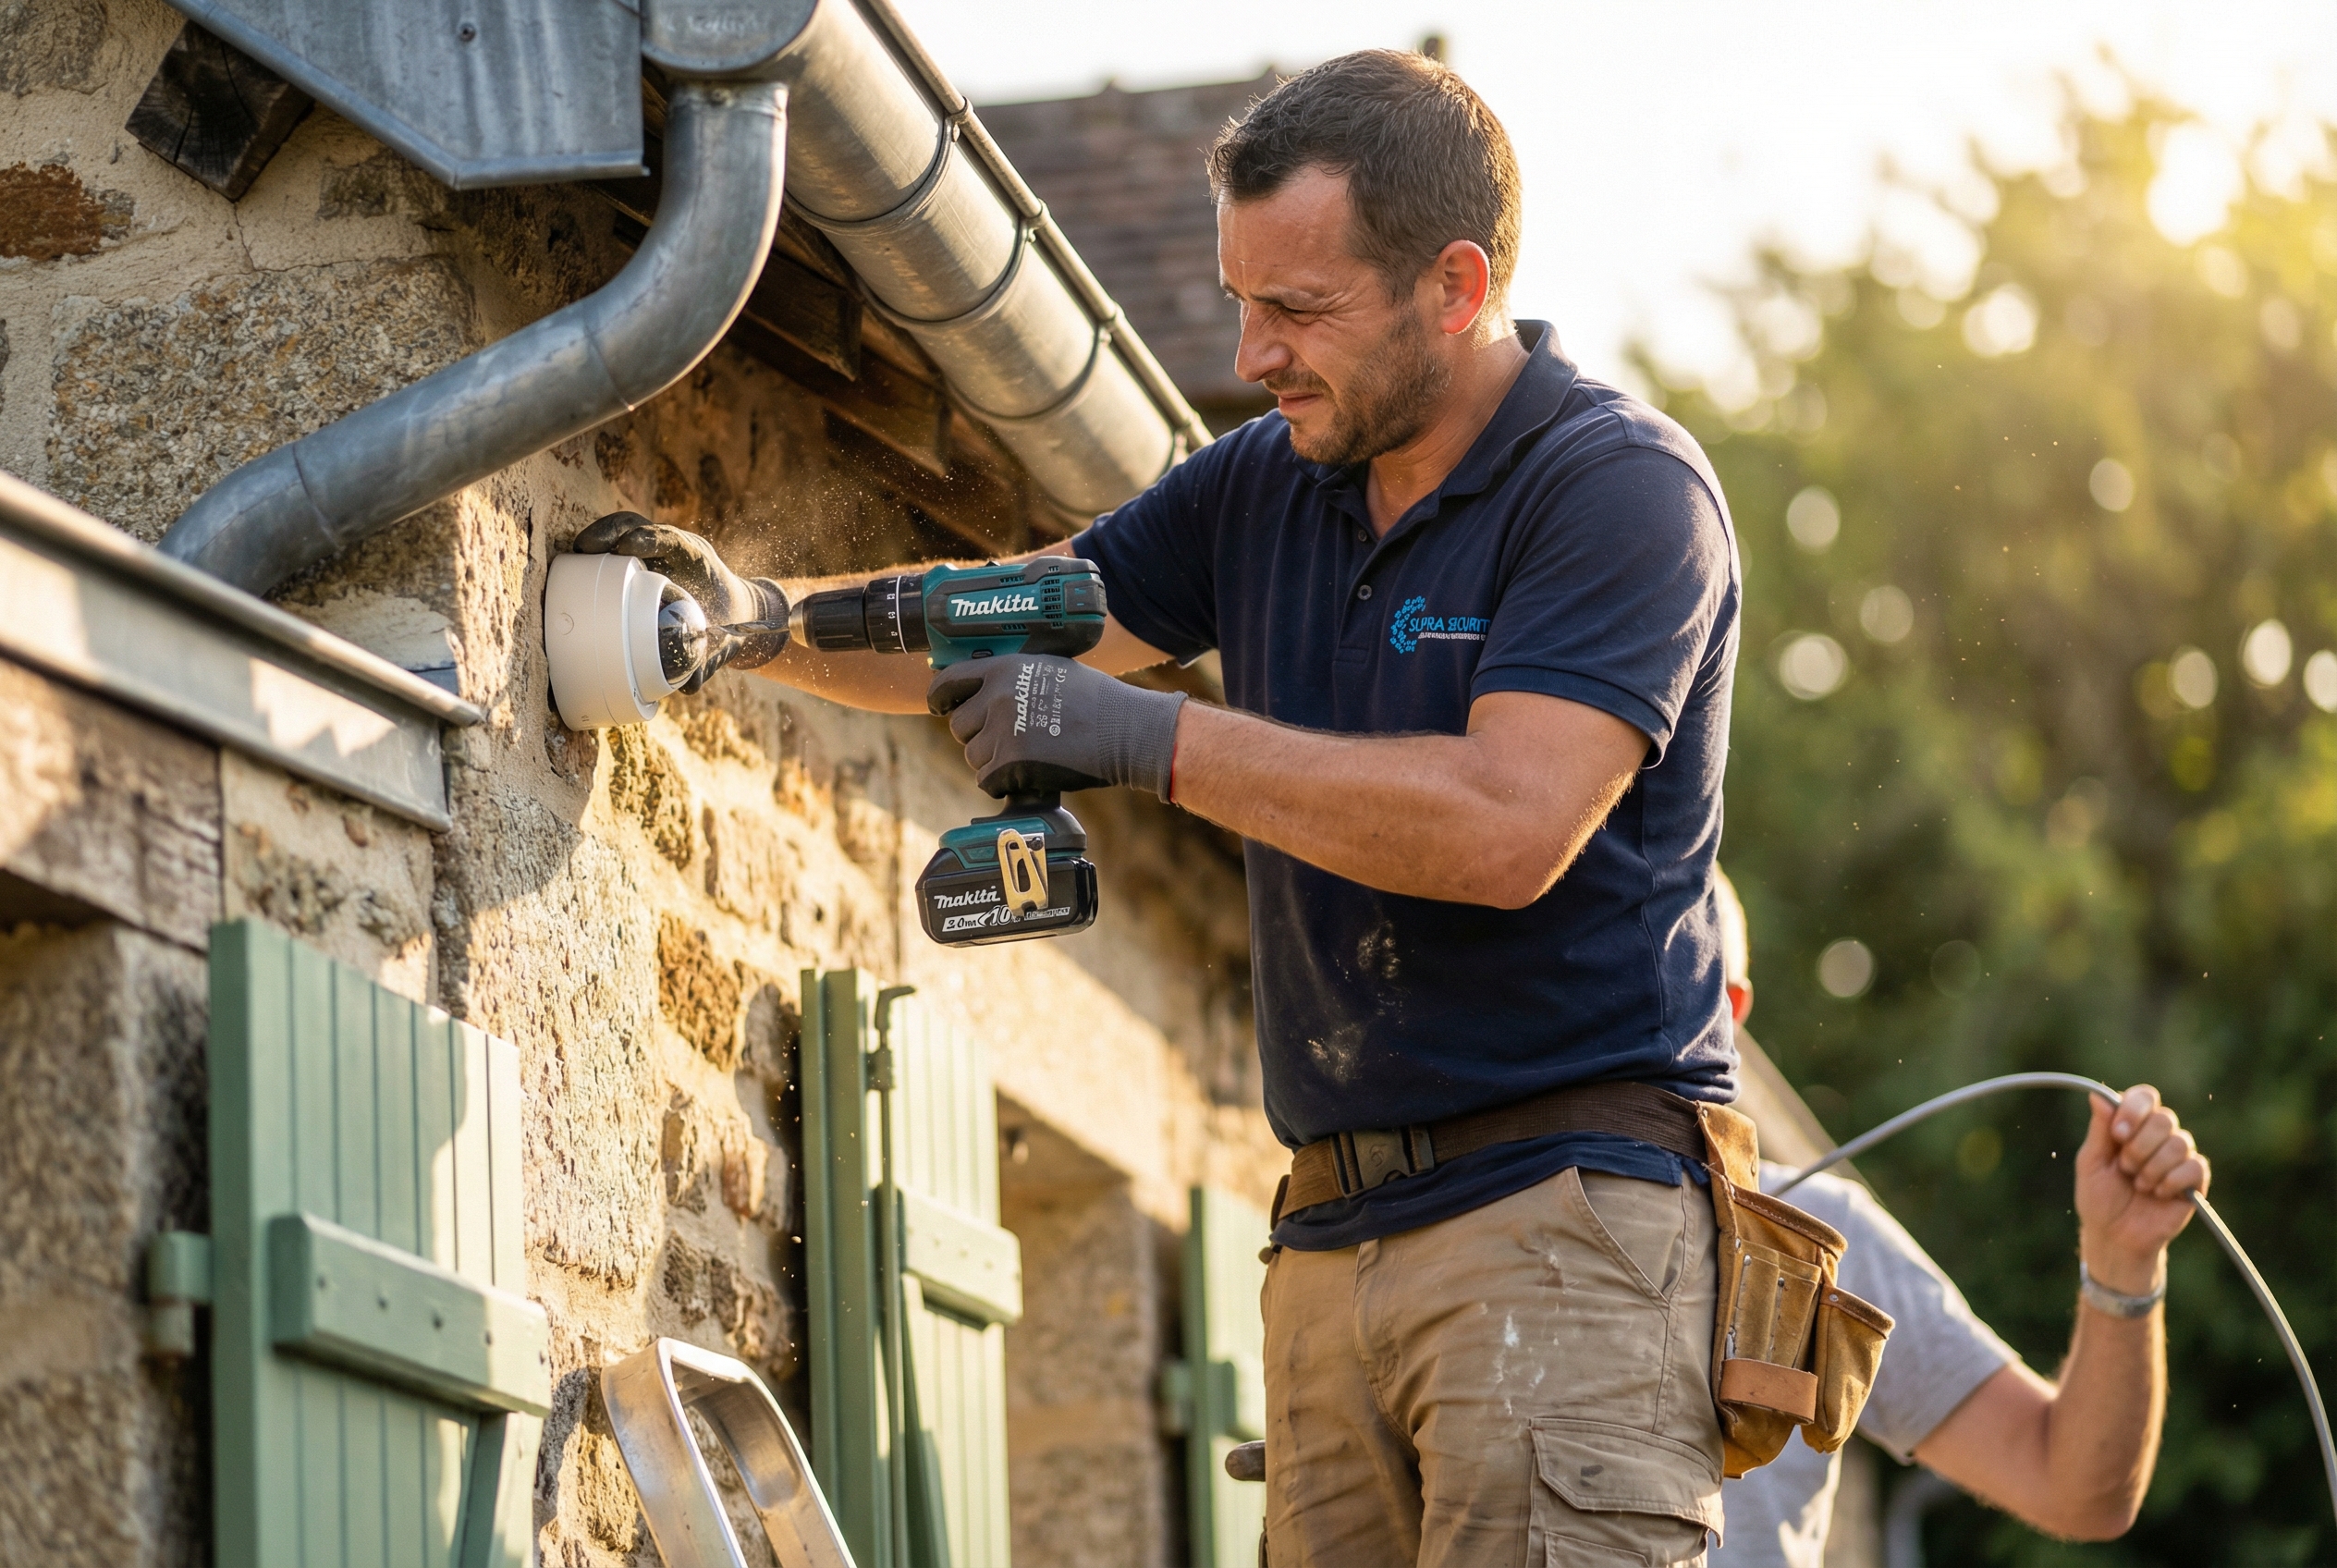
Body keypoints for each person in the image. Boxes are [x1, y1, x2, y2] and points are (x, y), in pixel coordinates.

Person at [584, 47, 1751, 1566]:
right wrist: (751, 620)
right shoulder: (1262, 484)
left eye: (1297, 308)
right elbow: (1016, 614)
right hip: (1332, 1233)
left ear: (1454, 288)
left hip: (1566, 1224)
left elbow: (1503, 825)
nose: (1252, 348)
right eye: (1239, 299)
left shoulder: (1615, 492)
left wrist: (1151, 738)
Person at [1709, 872, 2210, 1566]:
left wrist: (2124, 1260)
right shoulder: (1505, 1208)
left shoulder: (1819, 1232)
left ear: (1730, 1010)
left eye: (1663, 961)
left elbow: (2076, 1488)